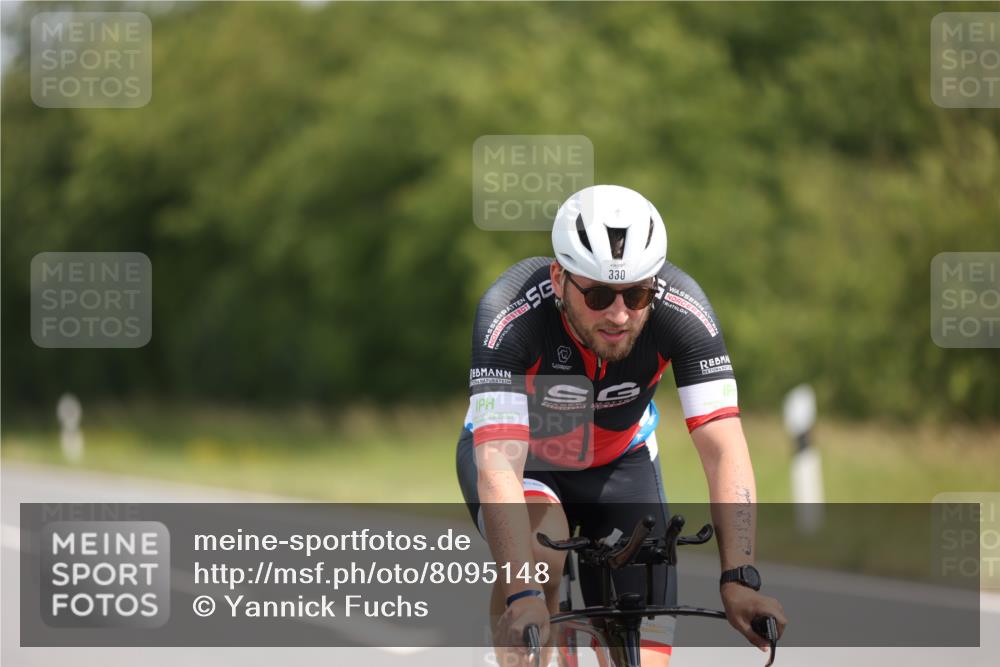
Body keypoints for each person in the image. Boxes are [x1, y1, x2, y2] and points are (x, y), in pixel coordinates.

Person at [456, 184, 787, 666]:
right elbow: (499, 465)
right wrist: (521, 591)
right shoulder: (510, 312)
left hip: (620, 459)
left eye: (636, 294)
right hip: (526, 462)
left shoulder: (682, 310)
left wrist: (740, 577)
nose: (618, 314)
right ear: (559, 279)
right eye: (597, 295)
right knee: (542, 558)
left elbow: (724, 448)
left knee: (646, 649)